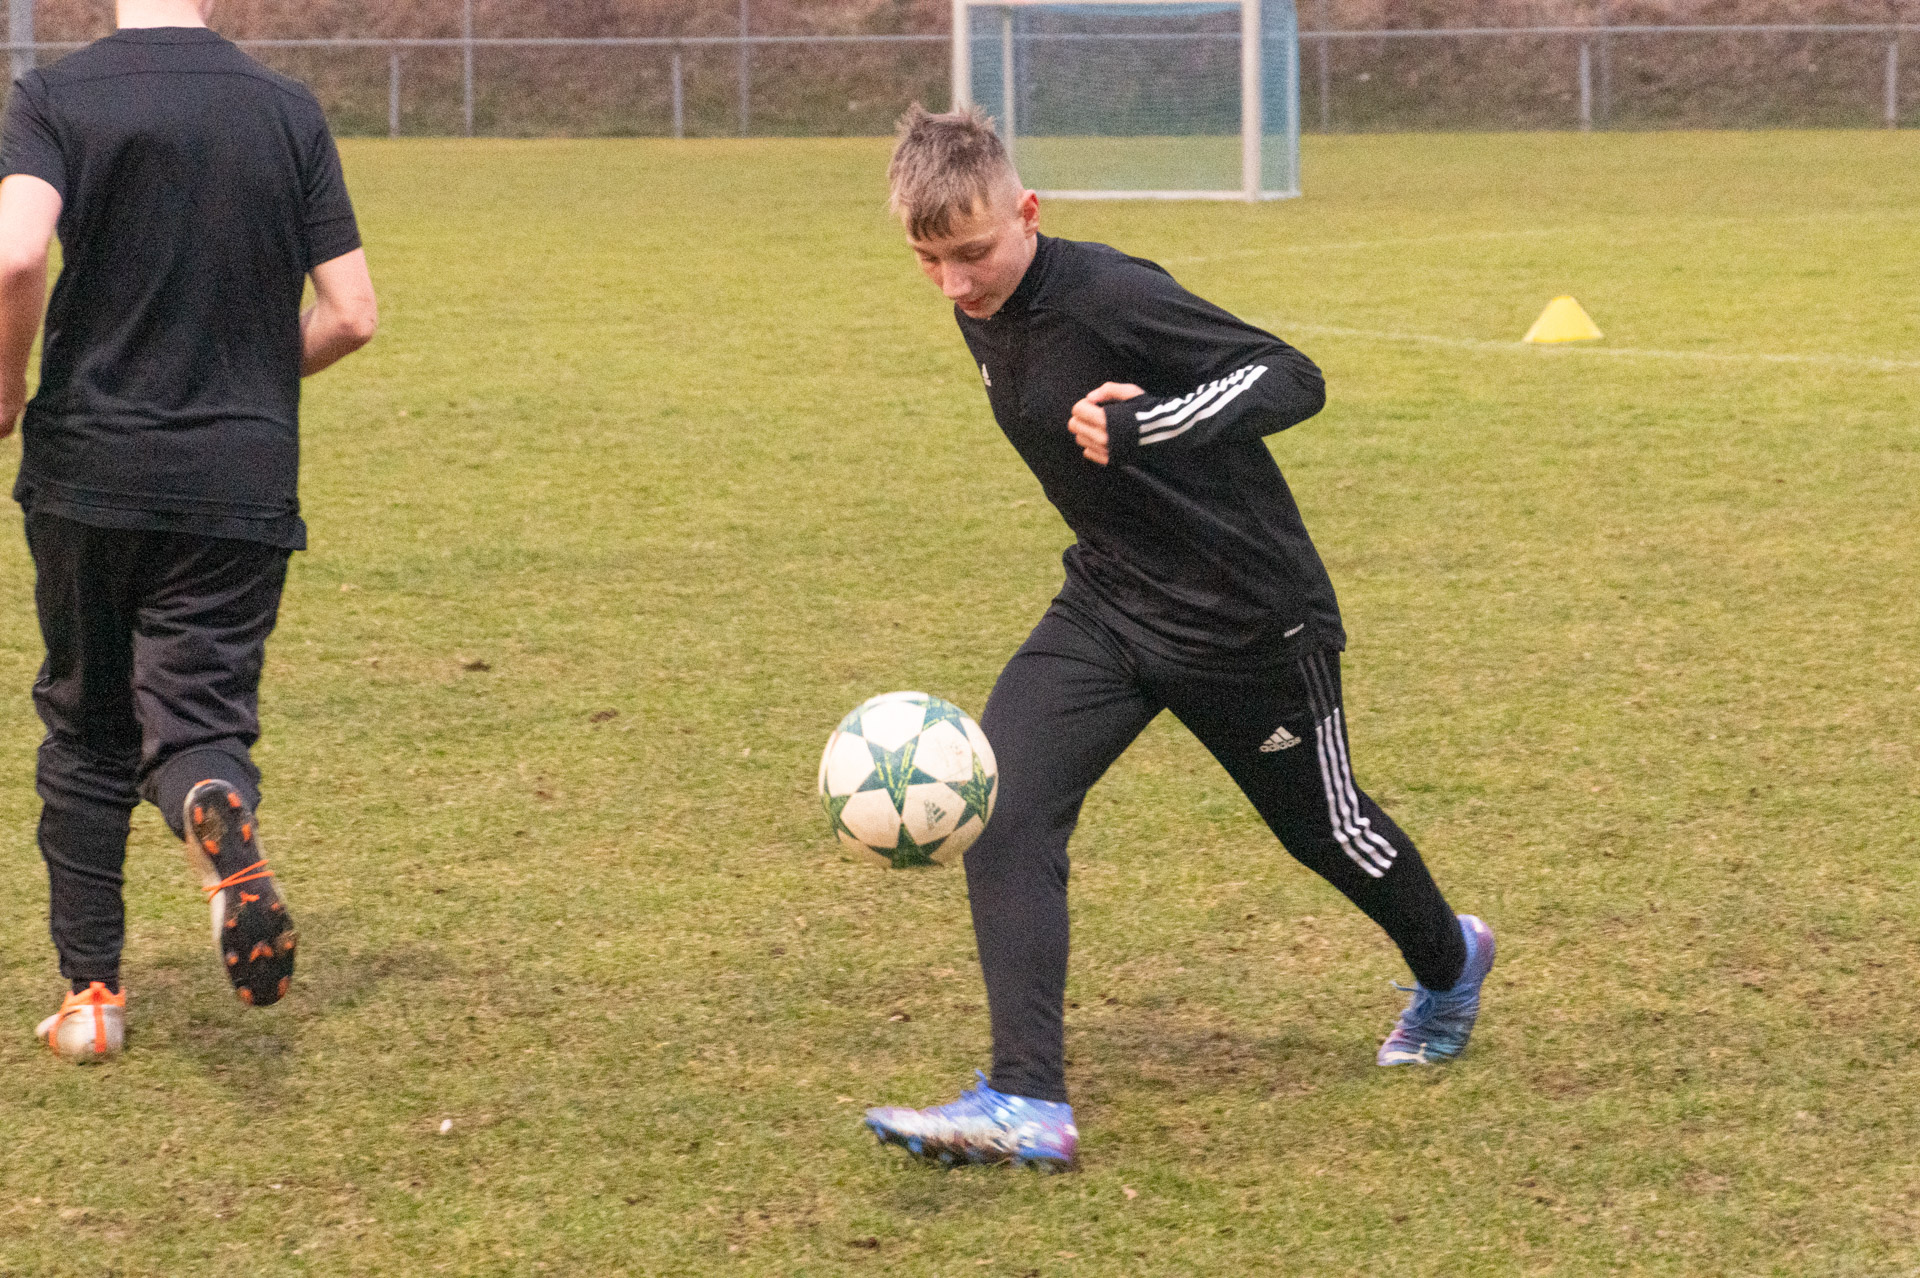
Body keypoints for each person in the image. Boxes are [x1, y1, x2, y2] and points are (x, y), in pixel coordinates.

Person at [862, 106, 1494, 1168]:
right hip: (1109, 600)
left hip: (1246, 618)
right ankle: (1026, 1100)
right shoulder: (979, 300)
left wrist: (1151, 422)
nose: (955, 285)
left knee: (1326, 831)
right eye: (928, 261)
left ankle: (1450, 963)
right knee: (1000, 808)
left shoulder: (1110, 292)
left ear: (1028, 212)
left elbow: (1291, 375)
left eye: (972, 253)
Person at [0, 0, 378, 1060]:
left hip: (91, 466)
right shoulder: (287, 110)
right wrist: (244, 378)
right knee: (200, 717)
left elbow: (16, 257)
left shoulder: (54, 97)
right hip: (238, 473)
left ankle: (92, 998)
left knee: (86, 727)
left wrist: (7, 384)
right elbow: (352, 313)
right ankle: (212, 798)